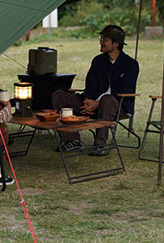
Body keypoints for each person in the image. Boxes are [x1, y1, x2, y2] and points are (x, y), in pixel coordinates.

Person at [51, 24, 139, 155]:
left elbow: (125, 90)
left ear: (116, 43)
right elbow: (90, 84)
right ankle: (72, 140)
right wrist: (87, 101)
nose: (101, 42)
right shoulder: (98, 61)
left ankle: (100, 145)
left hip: (117, 105)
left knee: (107, 99)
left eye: (105, 39)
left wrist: (97, 104)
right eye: (101, 38)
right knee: (58, 95)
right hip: (93, 101)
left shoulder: (131, 64)